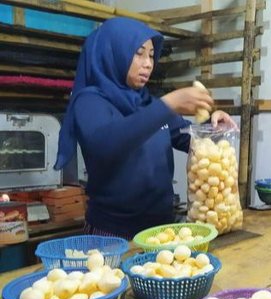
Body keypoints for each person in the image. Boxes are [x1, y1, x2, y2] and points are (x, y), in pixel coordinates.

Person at [54, 17, 236, 240]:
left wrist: (213, 127)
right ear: (114, 53)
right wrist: (168, 104)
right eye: (139, 53)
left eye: (151, 55)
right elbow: (107, 144)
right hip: (112, 236)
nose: (148, 63)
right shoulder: (90, 102)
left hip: (160, 232)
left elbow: (189, 139)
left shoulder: (148, 102)